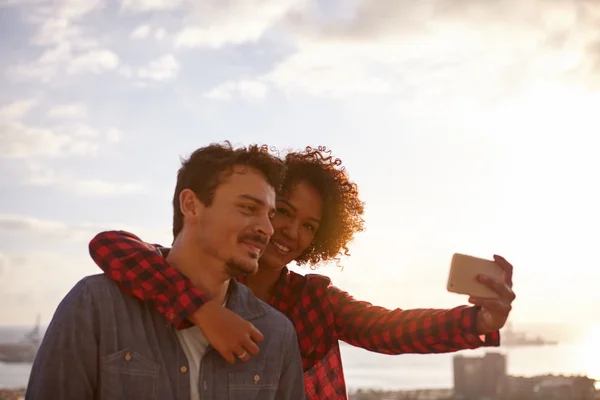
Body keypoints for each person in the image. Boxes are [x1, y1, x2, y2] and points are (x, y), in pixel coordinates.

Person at [88, 145, 516, 400]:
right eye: (284, 213)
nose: (290, 232)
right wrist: (203, 310)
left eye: (310, 226)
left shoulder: (313, 300)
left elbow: (388, 329)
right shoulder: (188, 280)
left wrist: (477, 320)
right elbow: (112, 245)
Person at [26, 143, 306, 400]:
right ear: (191, 205)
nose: (267, 229)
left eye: (269, 215)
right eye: (248, 208)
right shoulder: (96, 306)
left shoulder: (275, 333)